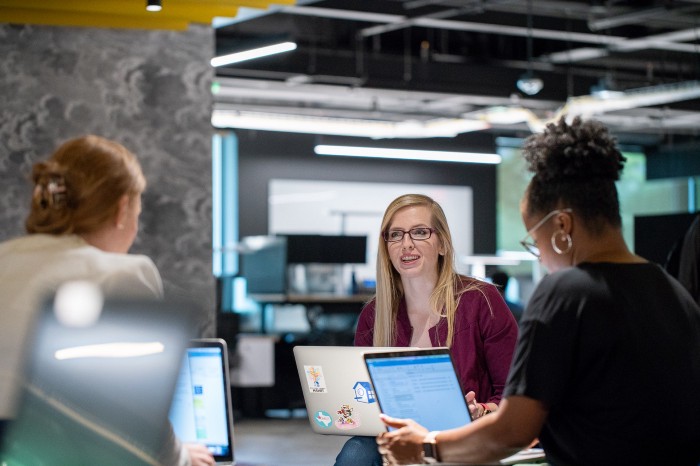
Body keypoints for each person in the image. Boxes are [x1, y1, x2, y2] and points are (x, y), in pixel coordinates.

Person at [376, 117, 700, 466]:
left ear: (562, 226)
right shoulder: (674, 292)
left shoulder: (566, 294)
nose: (541, 256)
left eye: (536, 240)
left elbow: (511, 431)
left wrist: (426, 446)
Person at [0, 135, 214, 466]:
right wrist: (186, 459)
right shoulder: (122, 275)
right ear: (122, 209)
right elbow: (138, 421)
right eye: (137, 211)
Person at [334, 193, 518, 466]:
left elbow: (514, 393)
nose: (406, 244)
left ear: (442, 244)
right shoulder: (374, 315)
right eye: (395, 235)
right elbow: (362, 397)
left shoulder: (481, 300)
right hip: (395, 438)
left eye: (420, 232)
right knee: (357, 452)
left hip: (462, 439)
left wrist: (482, 411)